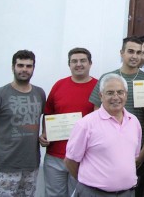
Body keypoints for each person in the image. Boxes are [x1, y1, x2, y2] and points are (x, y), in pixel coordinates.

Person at [88, 36, 144, 197]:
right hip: (108, 147)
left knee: (134, 191)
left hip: (136, 148)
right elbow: (96, 113)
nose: (135, 56)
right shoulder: (107, 78)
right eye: (130, 51)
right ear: (122, 53)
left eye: (138, 52)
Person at [0, 50, 46, 196]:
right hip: (3, 166)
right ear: (13, 67)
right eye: (20, 65)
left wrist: (45, 134)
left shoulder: (39, 93)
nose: (24, 69)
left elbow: (44, 117)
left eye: (29, 66)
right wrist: (1, 144)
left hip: (30, 166)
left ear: (33, 68)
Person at [65, 74, 141, 196]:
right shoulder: (86, 124)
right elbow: (70, 161)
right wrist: (88, 183)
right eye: (110, 93)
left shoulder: (134, 122)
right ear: (101, 96)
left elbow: (134, 157)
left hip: (127, 193)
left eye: (120, 92)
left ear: (126, 94)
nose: (116, 97)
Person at [38, 48, 97, 197]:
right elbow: (48, 112)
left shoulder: (98, 87)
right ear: (69, 64)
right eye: (74, 61)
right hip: (54, 156)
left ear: (90, 63)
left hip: (83, 157)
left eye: (83, 60)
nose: (78, 64)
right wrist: (45, 132)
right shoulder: (59, 85)